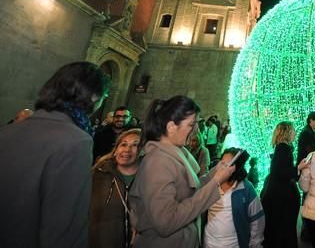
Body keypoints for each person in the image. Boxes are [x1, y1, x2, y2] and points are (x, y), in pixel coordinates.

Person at [0, 61, 110, 248]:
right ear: (93, 97)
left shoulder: (7, 131)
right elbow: (65, 229)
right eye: (104, 96)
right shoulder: (76, 141)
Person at [129, 96, 236, 248]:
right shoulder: (158, 161)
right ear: (172, 127)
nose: (195, 130)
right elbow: (166, 222)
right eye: (191, 125)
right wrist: (216, 182)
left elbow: (191, 190)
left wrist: (215, 173)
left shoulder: (174, 154)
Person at [90, 128, 142, 248]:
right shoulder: (98, 175)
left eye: (135, 145)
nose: (127, 149)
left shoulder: (149, 179)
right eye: (123, 144)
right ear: (115, 150)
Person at [204, 148, 265, 248]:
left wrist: (255, 244)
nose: (224, 168)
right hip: (209, 243)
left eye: (228, 164)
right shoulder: (211, 185)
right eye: (222, 163)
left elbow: (257, 221)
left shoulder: (246, 189)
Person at [261, 121, 301, 248]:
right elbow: (280, 173)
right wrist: (299, 168)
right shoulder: (283, 148)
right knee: (284, 230)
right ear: (287, 132)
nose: (295, 132)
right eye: (293, 130)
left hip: (277, 196)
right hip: (281, 198)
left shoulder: (281, 147)